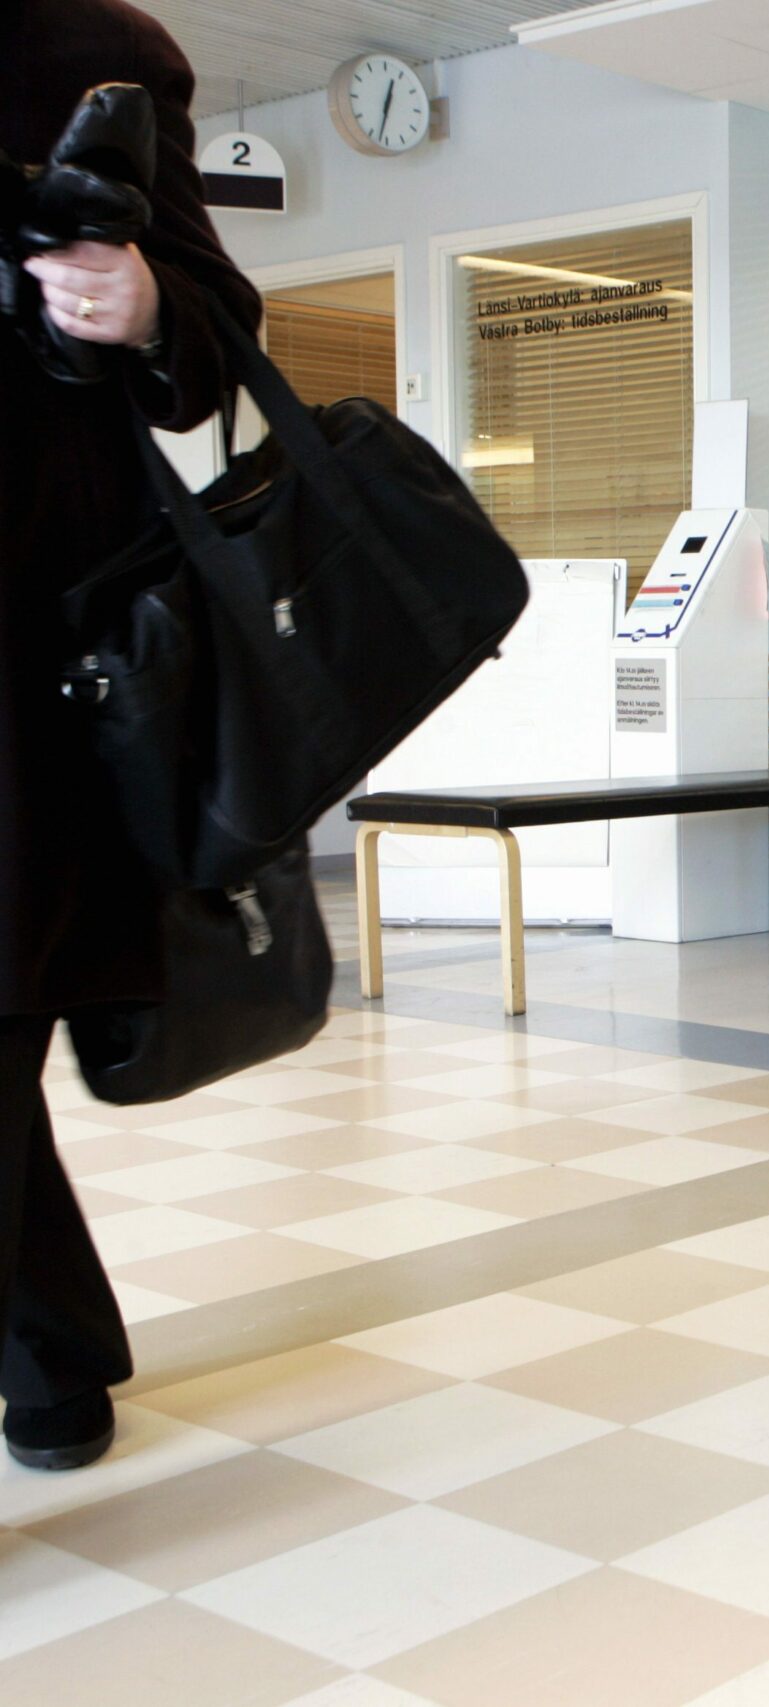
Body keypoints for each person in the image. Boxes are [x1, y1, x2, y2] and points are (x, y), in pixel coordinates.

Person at [1, 0, 262, 1470]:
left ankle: (49, 1354)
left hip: (31, 636)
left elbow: (212, 333)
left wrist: (143, 301)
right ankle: (49, 1346)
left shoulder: (85, 48)